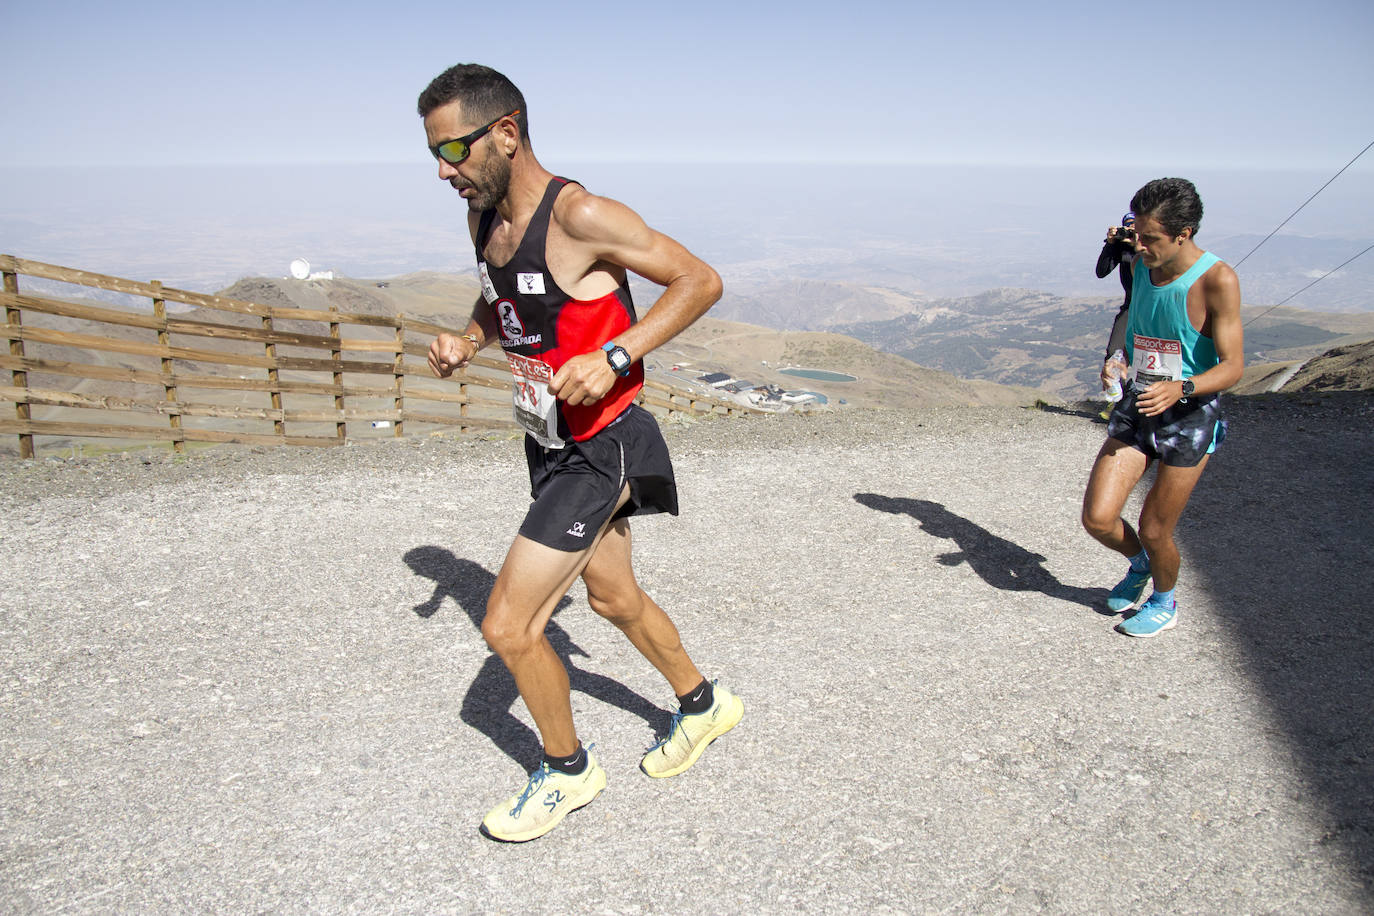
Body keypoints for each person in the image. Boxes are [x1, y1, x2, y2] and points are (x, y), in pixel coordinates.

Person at [418, 63, 742, 842]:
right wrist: (469, 337)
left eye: (454, 149)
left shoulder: (582, 215)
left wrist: (620, 356)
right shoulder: (484, 220)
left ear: (506, 133)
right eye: (431, 152)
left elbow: (700, 280)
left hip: (605, 445)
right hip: (551, 441)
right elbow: (503, 298)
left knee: (508, 626)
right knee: (611, 600)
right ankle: (706, 705)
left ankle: (567, 772)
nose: (442, 170)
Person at [1080, 178, 1243, 638]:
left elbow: (1233, 367)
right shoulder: (1140, 264)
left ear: (1183, 233)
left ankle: (1165, 601)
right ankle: (1139, 567)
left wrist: (1183, 386)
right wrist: (1118, 360)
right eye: (1138, 235)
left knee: (1155, 528)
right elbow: (1138, 328)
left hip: (1190, 415)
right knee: (1098, 518)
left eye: (1150, 238)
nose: (1140, 246)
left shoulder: (1217, 279)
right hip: (1139, 404)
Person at [1096, 213, 1138, 394]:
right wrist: (1111, 245)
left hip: (1152, 305)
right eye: (1128, 227)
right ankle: (1116, 399)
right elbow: (1101, 271)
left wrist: (1139, 245)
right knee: (1114, 351)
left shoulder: (1152, 247)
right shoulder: (1122, 247)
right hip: (1131, 304)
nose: (1131, 231)